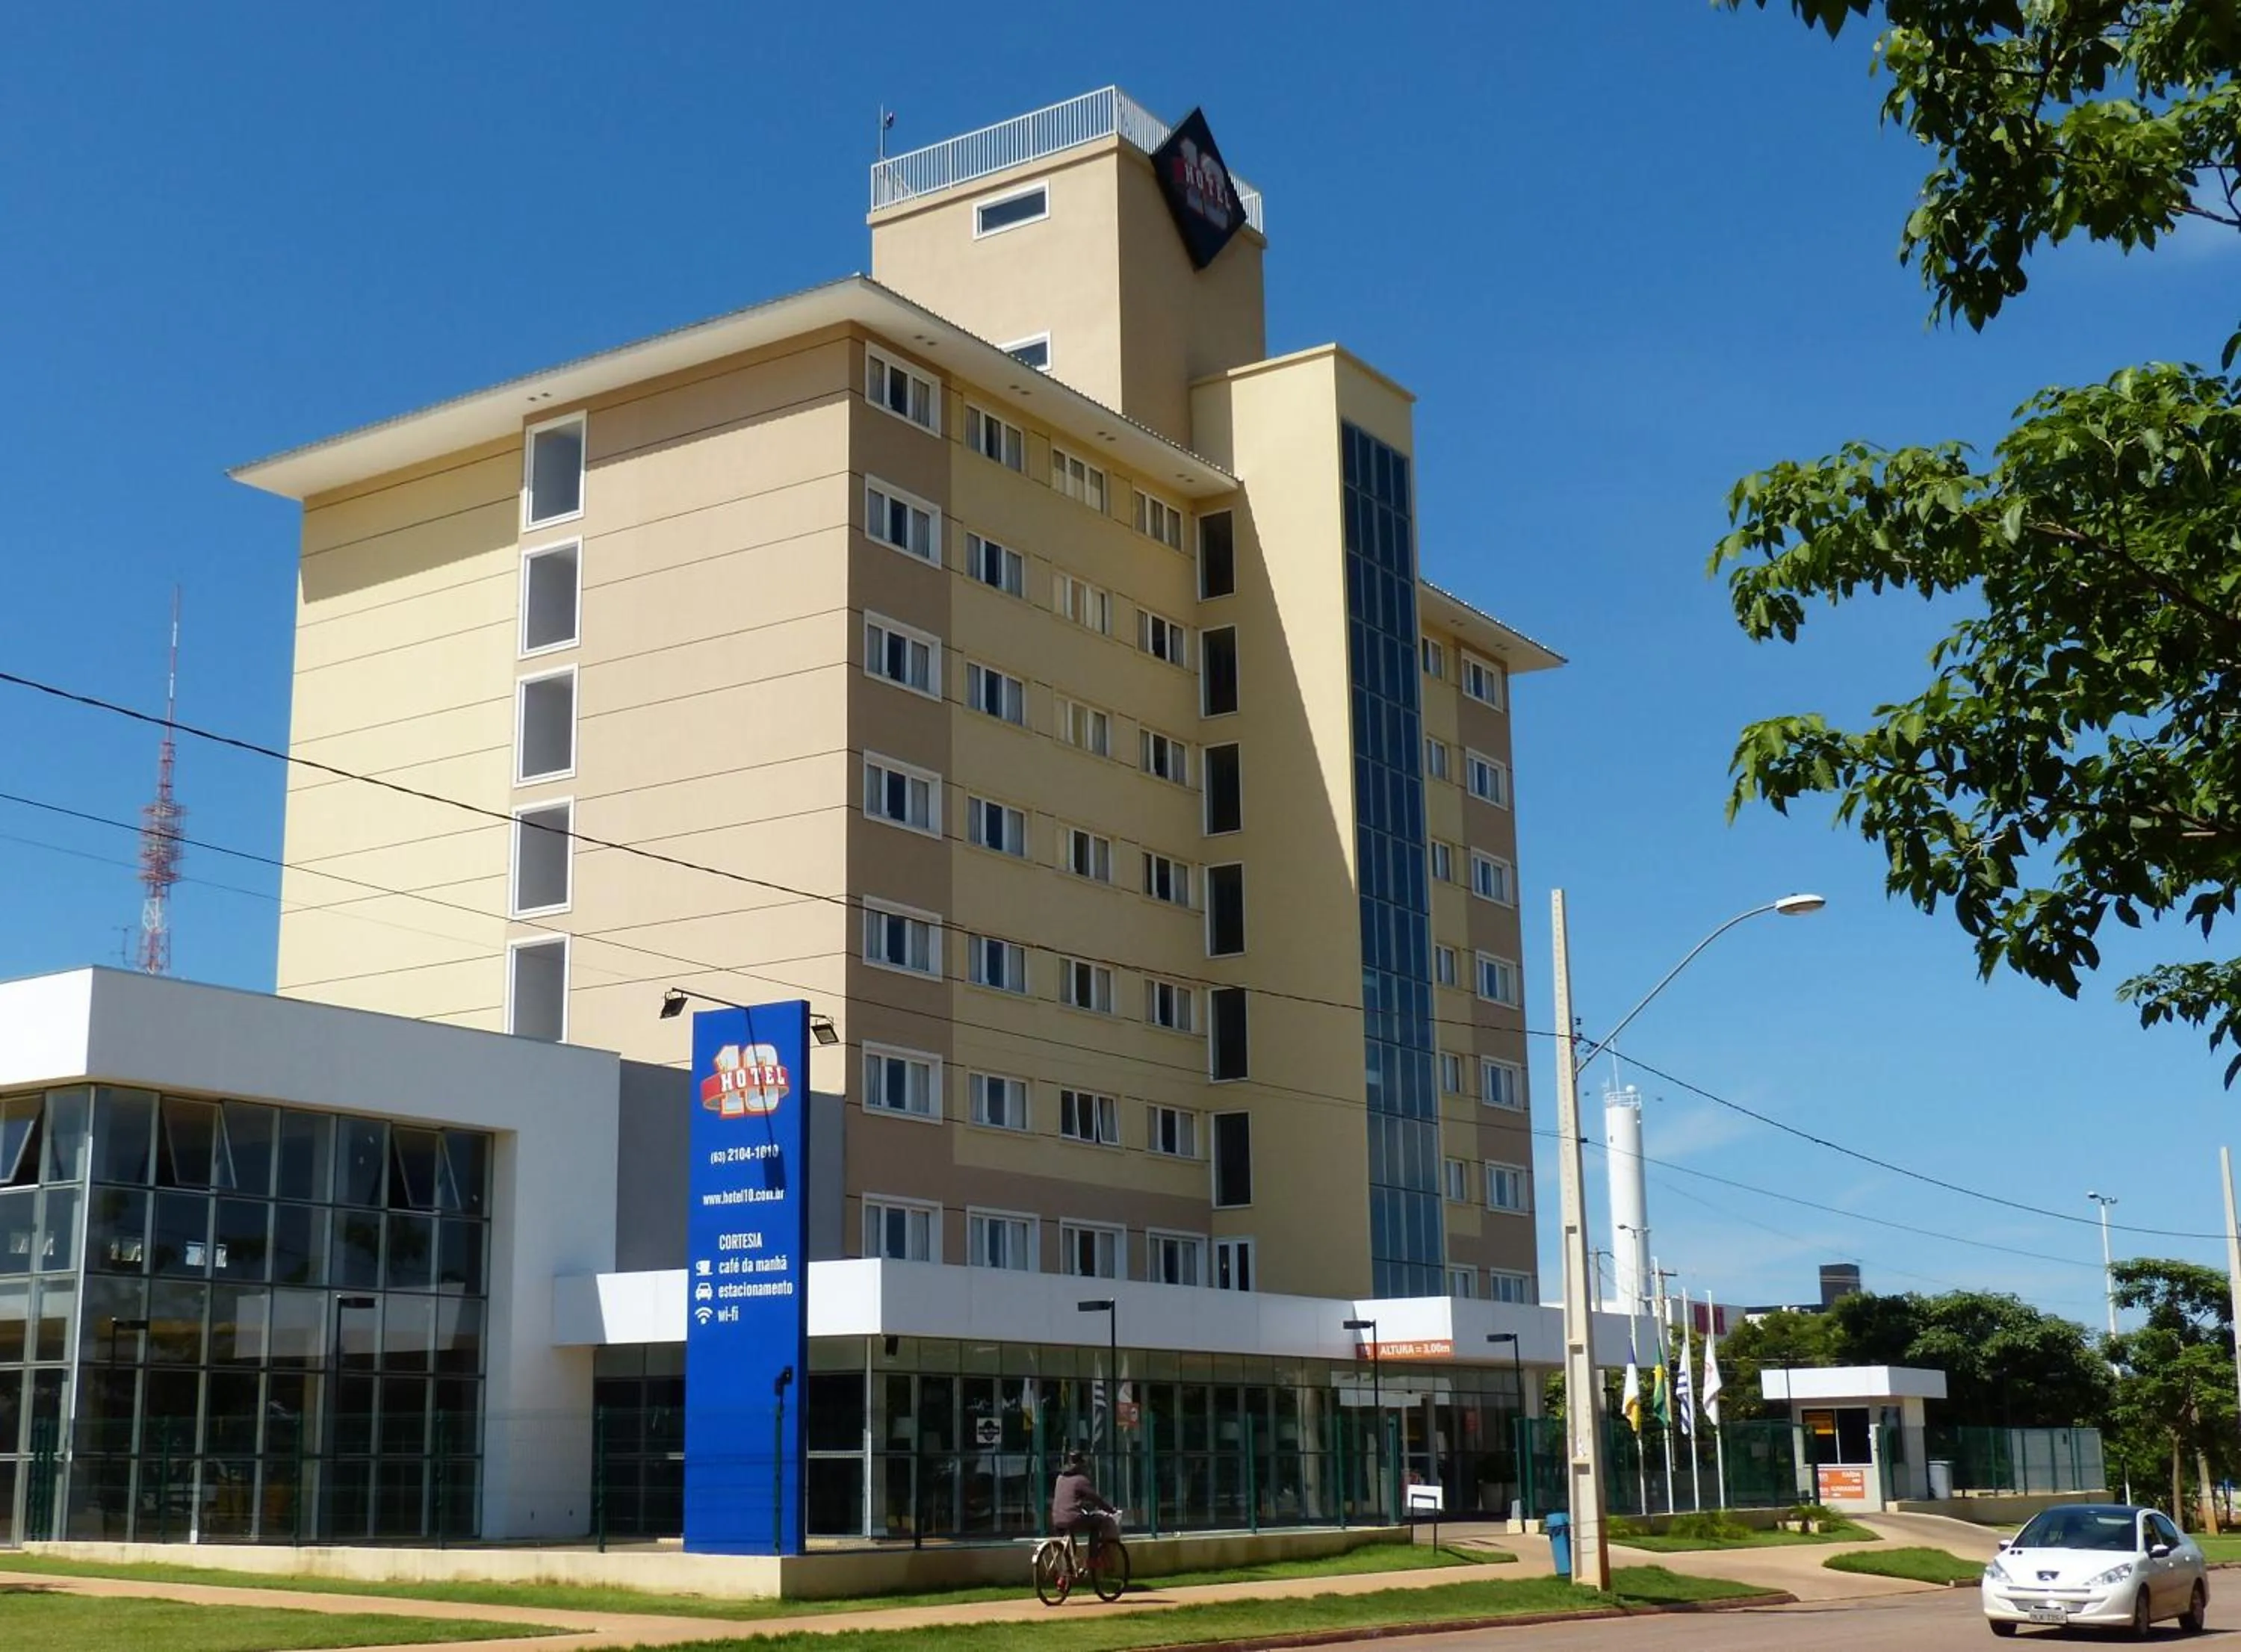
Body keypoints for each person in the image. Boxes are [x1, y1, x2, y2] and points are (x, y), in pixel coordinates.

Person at [1050, 1450, 1118, 1565]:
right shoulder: (1080, 1480)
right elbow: (1096, 1499)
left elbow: (1069, 1498)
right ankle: (1093, 1558)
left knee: (1070, 1543)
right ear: (1081, 1465)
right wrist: (1110, 1510)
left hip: (1057, 1519)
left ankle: (1066, 1572)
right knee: (1096, 1524)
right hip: (1072, 1519)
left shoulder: (1060, 1479)